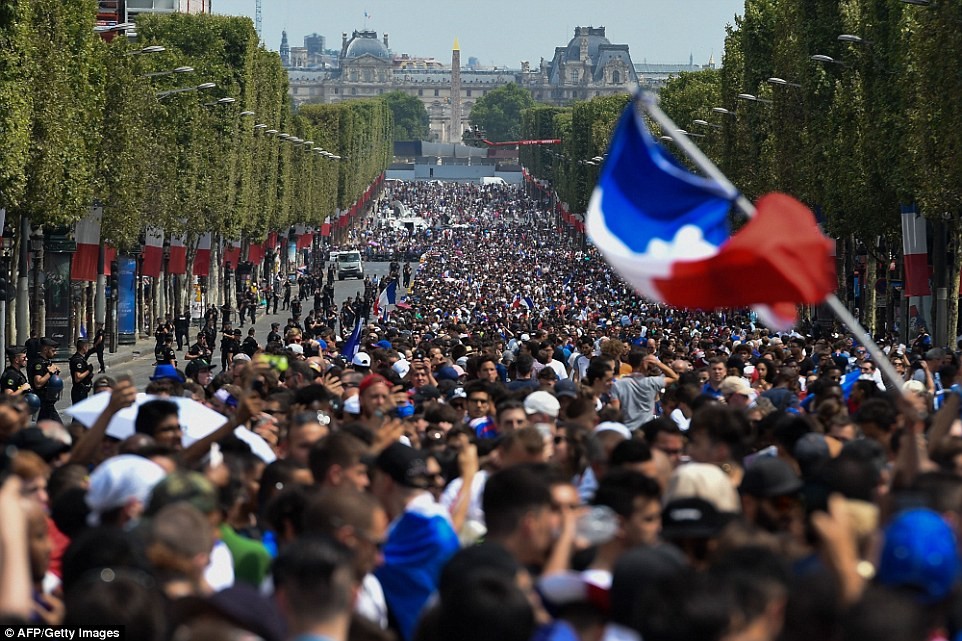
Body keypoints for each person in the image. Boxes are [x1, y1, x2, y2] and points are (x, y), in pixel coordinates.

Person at [372, 443, 459, 641]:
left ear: (386, 481)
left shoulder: (423, 527)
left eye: (373, 477)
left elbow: (376, 564)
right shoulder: (431, 517)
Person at [611, 349, 679, 431]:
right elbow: (674, 377)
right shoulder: (652, 382)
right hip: (646, 430)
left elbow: (615, 412)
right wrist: (658, 363)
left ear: (629, 362)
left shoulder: (618, 384)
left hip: (627, 429)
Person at [30, 338, 62, 423]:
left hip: (48, 401)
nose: (55, 353)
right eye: (53, 350)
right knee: (59, 428)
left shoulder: (46, 362)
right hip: (43, 401)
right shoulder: (39, 363)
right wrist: (50, 373)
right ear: (45, 349)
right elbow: (38, 383)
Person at [69, 339, 94, 404]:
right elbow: (78, 378)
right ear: (84, 347)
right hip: (79, 391)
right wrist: (88, 371)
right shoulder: (78, 361)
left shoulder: (80, 358)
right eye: (87, 347)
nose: (88, 349)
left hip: (82, 390)